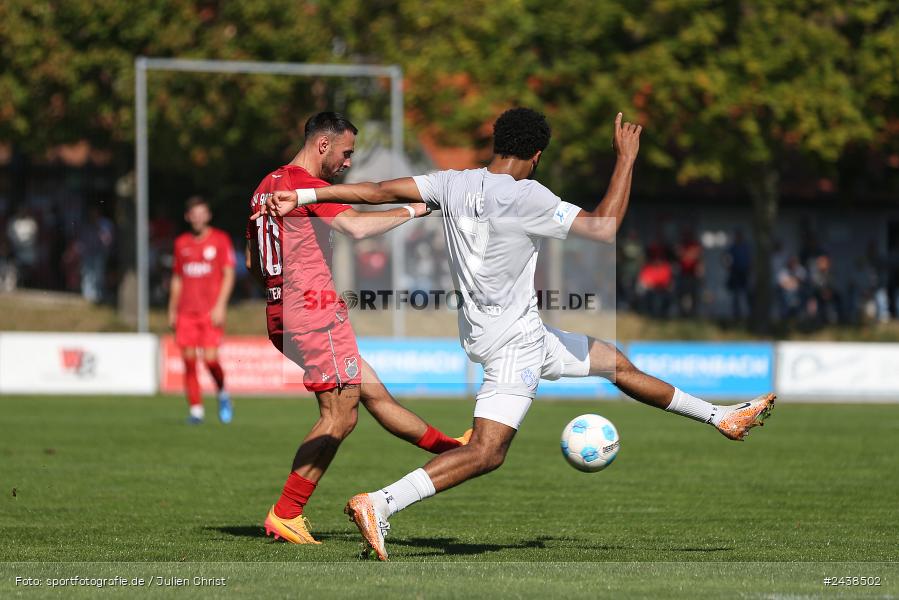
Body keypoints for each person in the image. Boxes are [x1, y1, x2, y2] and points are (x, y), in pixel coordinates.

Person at [263, 108, 777, 560]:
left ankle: (721, 416)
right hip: (514, 343)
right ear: (535, 154)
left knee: (615, 363)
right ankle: (380, 503)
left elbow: (374, 192)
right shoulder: (530, 195)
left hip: (507, 331)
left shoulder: (453, 182)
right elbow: (604, 227)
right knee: (487, 452)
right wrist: (625, 159)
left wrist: (305, 194)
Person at [245, 112, 469, 546]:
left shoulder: (263, 188)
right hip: (315, 313)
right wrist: (419, 207)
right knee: (340, 415)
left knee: (370, 391)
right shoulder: (304, 185)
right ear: (323, 145)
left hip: (282, 315)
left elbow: (254, 262)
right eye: (346, 153)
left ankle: (454, 449)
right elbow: (359, 228)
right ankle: (286, 512)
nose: (348, 163)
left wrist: (281, 295)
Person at [169, 196, 235, 425]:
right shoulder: (181, 243)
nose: (198, 218)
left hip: (209, 312)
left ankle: (222, 392)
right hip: (186, 312)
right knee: (188, 362)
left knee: (209, 360)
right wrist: (172, 310)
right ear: (188, 217)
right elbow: (177, 278)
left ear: (208, 216)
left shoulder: (220, 240)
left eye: (202, 213)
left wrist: (220, 306)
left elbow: (228, 274)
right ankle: (196, 410)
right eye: (193, 214)